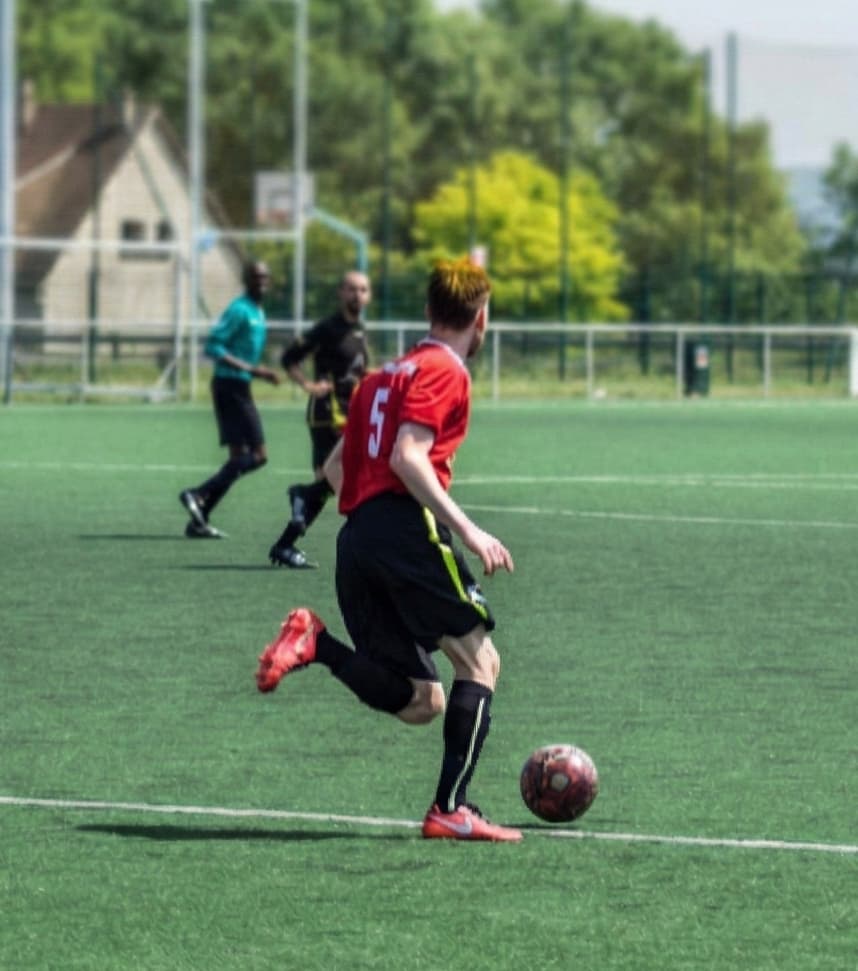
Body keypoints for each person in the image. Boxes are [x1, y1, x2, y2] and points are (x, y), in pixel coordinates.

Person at [256, 258, 522, 842]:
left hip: (357, 538)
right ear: (481, 319)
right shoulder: (443, 370)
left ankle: (316, 644)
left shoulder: (381, 378)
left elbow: (333, 467)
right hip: (405, 530)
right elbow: (407, 455)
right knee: (482, 663)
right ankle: (452, 808)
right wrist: (470, 530)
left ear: (429, 311)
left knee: (421, 700)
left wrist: (314, 512)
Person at [268, 270, 371, 568]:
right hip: (327, 414)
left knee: (326, 484)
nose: (357, 295)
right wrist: (308, 385)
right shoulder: (328, 328)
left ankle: (285, 544)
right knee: (340, 476)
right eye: (352, 289)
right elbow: (290, 358)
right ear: (341, 292)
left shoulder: (360, 330)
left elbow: (358, 372)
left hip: (348, 413)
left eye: (363, 290)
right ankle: (301, 504)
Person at [179, 260, 280, 538]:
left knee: (237, 458)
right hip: (230, 386)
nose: (261, 281)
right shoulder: (239, 309)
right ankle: (197, 493)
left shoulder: (257, 310)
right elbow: (213, 345)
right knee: (259, 455)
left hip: (238, 385)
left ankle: (199, 519)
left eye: (264, 277)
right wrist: (253, 370)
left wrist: (255, 373)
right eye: (255, 276)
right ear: (245, 279)